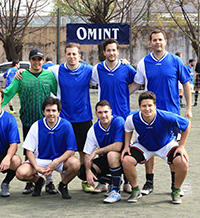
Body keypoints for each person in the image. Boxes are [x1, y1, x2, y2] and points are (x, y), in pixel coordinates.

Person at [0, 48, 58, 195]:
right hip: (28, 120)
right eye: (34, 59)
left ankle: (49, 182)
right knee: (28, 151)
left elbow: (58, 94)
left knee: (47, 151)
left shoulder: (49, 76)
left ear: (43, 61)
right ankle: (30, 181)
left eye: (39, 59)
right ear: (29, 60)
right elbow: (8, 93)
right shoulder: (21, 77)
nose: (37, 62)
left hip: (46, 122)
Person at [129, 29, 192, 196]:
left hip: (171, 113)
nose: (157, 42)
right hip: (150, 113)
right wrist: (120, 94)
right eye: (154, 40)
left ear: (165, 42)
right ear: (150, 43)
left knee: (173, 150)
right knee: (149, 146)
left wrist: (189, 109)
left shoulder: (175, 60)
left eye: (160, 39)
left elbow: (186, 84)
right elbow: (136, 83)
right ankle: (149, 182)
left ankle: (174, 185)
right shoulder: (144, 62)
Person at [121, 91, 190, 204]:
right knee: (126, 160)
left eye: (150, 105)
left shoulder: (165, 116)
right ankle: (135, 189)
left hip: (165, 145)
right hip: (144, 146)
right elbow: (128, 129)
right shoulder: (132, 118)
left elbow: (186, 124)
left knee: (182, 161)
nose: (147, 109)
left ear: (155, 106)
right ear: (139, 107)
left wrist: (181, 146)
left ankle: (176, 190)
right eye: (144, 106)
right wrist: (126, 146)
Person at [46, 43, 95, 192]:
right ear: (65, 56)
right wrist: (20, 70)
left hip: (84, 118)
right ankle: (64, 183)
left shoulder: (89, 70)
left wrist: (123, 62)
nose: (72, 57)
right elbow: (37, 71)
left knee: (84, 151)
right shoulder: (56, 70)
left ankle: (85, 180)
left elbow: (107, 69)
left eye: (74, 54)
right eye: (69, 54)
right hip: (65, 120)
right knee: (65, 153)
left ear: (80, 56)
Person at [90, 38, 136, 193]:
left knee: (125, 149)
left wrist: (126, 93)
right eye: (108, 50)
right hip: (104, 117)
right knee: (104, 148)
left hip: (123, 115)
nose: (111, 53)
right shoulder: (98, 69)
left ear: (118, 51)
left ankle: (128, 181)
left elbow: (138, 81)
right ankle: (103, 182)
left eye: (114, 50)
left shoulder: (126, 68)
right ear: (104, 52)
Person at [15, 97, 80, 199]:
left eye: (54, 110)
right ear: (43, 112)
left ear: (58, 112)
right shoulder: (36, 126)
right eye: (48, 110)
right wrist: (36, 168)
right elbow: (29, 150)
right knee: (20, 173)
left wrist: (55, 163)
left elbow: (71, 150)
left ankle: (63, 185)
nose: (51, 113)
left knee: (76, 164)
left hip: (59, 160)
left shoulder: (66, 125)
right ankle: (39, 181)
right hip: (40, 159)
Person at [78, 100, 125, 203]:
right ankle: (113, 182)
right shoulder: (93, 129)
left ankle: (116, 191)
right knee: (81, 171)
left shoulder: (118, 121)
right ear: (96, 114)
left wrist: (97, 151)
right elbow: (87, 154)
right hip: (107, 160)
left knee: (111, 155)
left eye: (106, 112)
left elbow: (118, 146)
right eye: (100, 112)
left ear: (111, 112)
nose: (103, 115)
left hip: (124, 160)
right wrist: (88, 171)